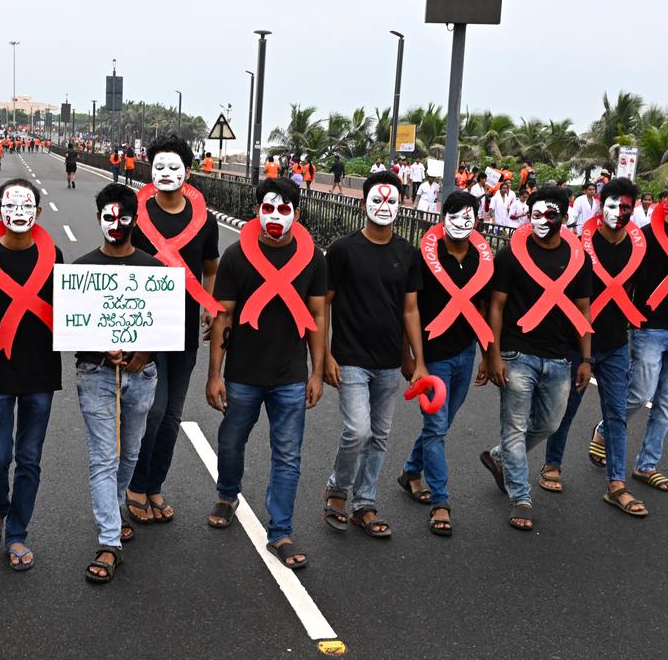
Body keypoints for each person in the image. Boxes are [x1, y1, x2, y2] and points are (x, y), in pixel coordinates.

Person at [206, 177, 327, 569]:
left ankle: (281, 532)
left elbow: (318, 316)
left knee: (288, 456)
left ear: (297, 213)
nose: (275, 216)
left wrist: (317, 372)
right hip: (242, 372)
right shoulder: (237, 256)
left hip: (291, 376)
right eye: (268, 208)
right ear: (257, 211)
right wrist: (215, 374)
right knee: (230, 442)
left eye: (284, 209)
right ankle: (227, 494)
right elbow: (223, 315)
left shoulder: (313, 258)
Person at [590, 172, 668, 493]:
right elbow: (627, 281)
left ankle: (646, 465)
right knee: (640, 394)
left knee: (666, 404)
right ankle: (605, 429)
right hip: (647, 328)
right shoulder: (645, 237)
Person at [480, 187, 592, 531]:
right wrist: (493, 354)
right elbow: (495, 306)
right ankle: (521, 497)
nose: (544, 221)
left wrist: (585, 358)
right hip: (517, 354)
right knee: (514, 427)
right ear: (528, 214)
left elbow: (582, 309)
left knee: (549, 424)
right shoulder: (511, 256)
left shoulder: (578, 260)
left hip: (559, 358)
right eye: (537, 214)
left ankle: (499, 457)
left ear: (565, 215)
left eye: (551, 214)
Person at [322, 169, 426, 539]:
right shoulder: (342, 250)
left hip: (388, 362)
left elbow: (410, 310)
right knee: (357, 430)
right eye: (377, 199)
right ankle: (337, 490)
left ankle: (364, 503)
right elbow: (323, 306)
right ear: (363, 202)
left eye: (392, 200)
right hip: (349, 357)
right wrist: (323, 358)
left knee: (380, 436)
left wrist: (418, 360)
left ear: (403, 205)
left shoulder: (407, 253)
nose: (384, 206)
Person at [536, 177, 647, 516]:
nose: (619, 212)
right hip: (576, 343)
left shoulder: (637, 248)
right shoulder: (579, 246)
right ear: (600, 205)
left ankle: (616, 485)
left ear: (633, 209)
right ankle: (551, 465)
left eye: (626, 206)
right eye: (612, 205)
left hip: (615, 344)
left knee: (616, 415)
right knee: (566, 411)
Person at [126, 135, 220, 527]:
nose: (167, 173)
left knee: (172, 414)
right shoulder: (136, 214)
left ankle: (154, 484)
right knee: (153, 408)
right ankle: (134, 485)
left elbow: (210, 268)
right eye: (159, 166)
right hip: (144, 329)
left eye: (174, 166)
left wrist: (210, 306)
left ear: (188, 170)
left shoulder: (206, 221)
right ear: (150, 169)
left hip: (183, 328)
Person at [75, 183, 162, 584]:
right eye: (108, 217)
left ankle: (114, 505)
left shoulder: (155, 270)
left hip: (141, 377)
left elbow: (167, 329)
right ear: (98, 219)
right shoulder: (80, 270)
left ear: (134, 220)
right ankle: (109, 541)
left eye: (123, 217)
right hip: (96, 376)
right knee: (103, 459)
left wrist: (147, 353)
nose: (115, 224)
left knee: (129, 455)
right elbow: (71, 330)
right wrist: (99, 347)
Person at [0, 179, 63, 571]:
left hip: (40, 373)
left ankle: (17, 534)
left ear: (38, 214)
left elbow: (72, 310)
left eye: (26, 206)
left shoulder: (54, 254)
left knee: (29, 459)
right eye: (9, 207)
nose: (18, 213)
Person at [401, 191, 490, 535]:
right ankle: (440, 500)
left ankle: (410, 470)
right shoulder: (424, 257)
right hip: (432, 358)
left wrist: (486, 353)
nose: (461, 222)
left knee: (442, 424)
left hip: (465, 353)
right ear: (442, 217)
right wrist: (410, 358)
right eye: (454, 215)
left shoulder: (482, 259)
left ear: (477, 220)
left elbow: (483, 307)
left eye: (468, 216)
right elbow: (408, 308)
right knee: (436, 428)